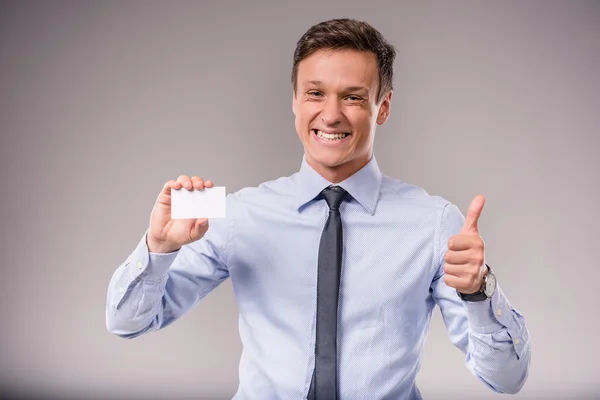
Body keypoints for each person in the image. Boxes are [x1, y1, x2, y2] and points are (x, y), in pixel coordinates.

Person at [106, 18, 531, 399]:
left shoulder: (435, 223)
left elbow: (507, 379)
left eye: (352, 97)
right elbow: (127, 323)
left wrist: (479, 291)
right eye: (315, 93)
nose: (330, 115)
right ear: (294, 100)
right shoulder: (239, 214)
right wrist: (159, 248)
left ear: (382, 108)